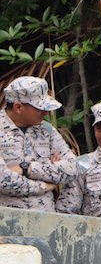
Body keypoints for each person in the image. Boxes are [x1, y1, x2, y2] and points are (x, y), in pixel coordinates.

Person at [0, 76, 77, 211]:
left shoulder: (47, 130)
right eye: (39, 108)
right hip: (6, 219)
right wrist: (45, 186)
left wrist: (27, 169)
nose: (46, 112)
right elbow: (3, 181)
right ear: (18, 107)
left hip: (45, 218)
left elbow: (72, 168)